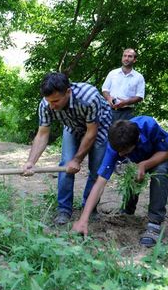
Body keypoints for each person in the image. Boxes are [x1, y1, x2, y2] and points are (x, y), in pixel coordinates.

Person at [23, 72, 112, 225]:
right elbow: (43, 134)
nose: (52, 106)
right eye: (49, 101)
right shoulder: (46, 104)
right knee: (65, 164)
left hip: (99, 127)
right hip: (72, 126)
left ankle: (88, 209)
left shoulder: (89, 97)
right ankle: (64, 210)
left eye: (56, 101)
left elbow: (91, 132)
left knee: (96, 170)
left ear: (68, 92)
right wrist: (31, 162)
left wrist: (77, 160)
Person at [72, 116, 168, 247]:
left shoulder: (149, 125)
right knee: (131, 173)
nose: (120, 155)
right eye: (117, 152)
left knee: (160, 172)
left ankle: (154, 222)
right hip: (137, 157)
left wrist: (144, 164)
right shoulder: (114, 145)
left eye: (124, 152)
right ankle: (128, 210)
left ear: (136, 142)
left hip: (160, 153)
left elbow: (167, 151)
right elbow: (99, 183)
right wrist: (83, 219)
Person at [102, 48, 145, 122]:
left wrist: (125, 102)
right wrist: (109, 98)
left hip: (127, 113)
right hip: (110, 111)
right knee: (108, 133)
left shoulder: (139, 77)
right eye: (124, 56)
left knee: (126, 133)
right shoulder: (112, 73)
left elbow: (140, 96)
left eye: (129, 56)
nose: (126, 58)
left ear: (134, 60)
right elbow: (105, 89)